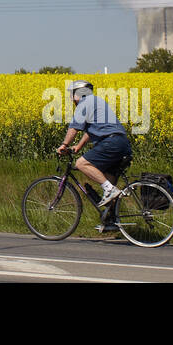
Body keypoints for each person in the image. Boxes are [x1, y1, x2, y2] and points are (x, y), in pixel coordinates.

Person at [55, 80, 133, 232]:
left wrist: (64, 145)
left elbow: (74, 128)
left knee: (81, 164)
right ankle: (111, 221)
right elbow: (91, 131)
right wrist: (78, 146)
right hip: (122, 143)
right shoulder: (97, 101)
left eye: (72, 95)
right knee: (108, 178)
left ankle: (109, 190)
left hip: (111, 143)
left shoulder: (84, 103)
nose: (71, 99)